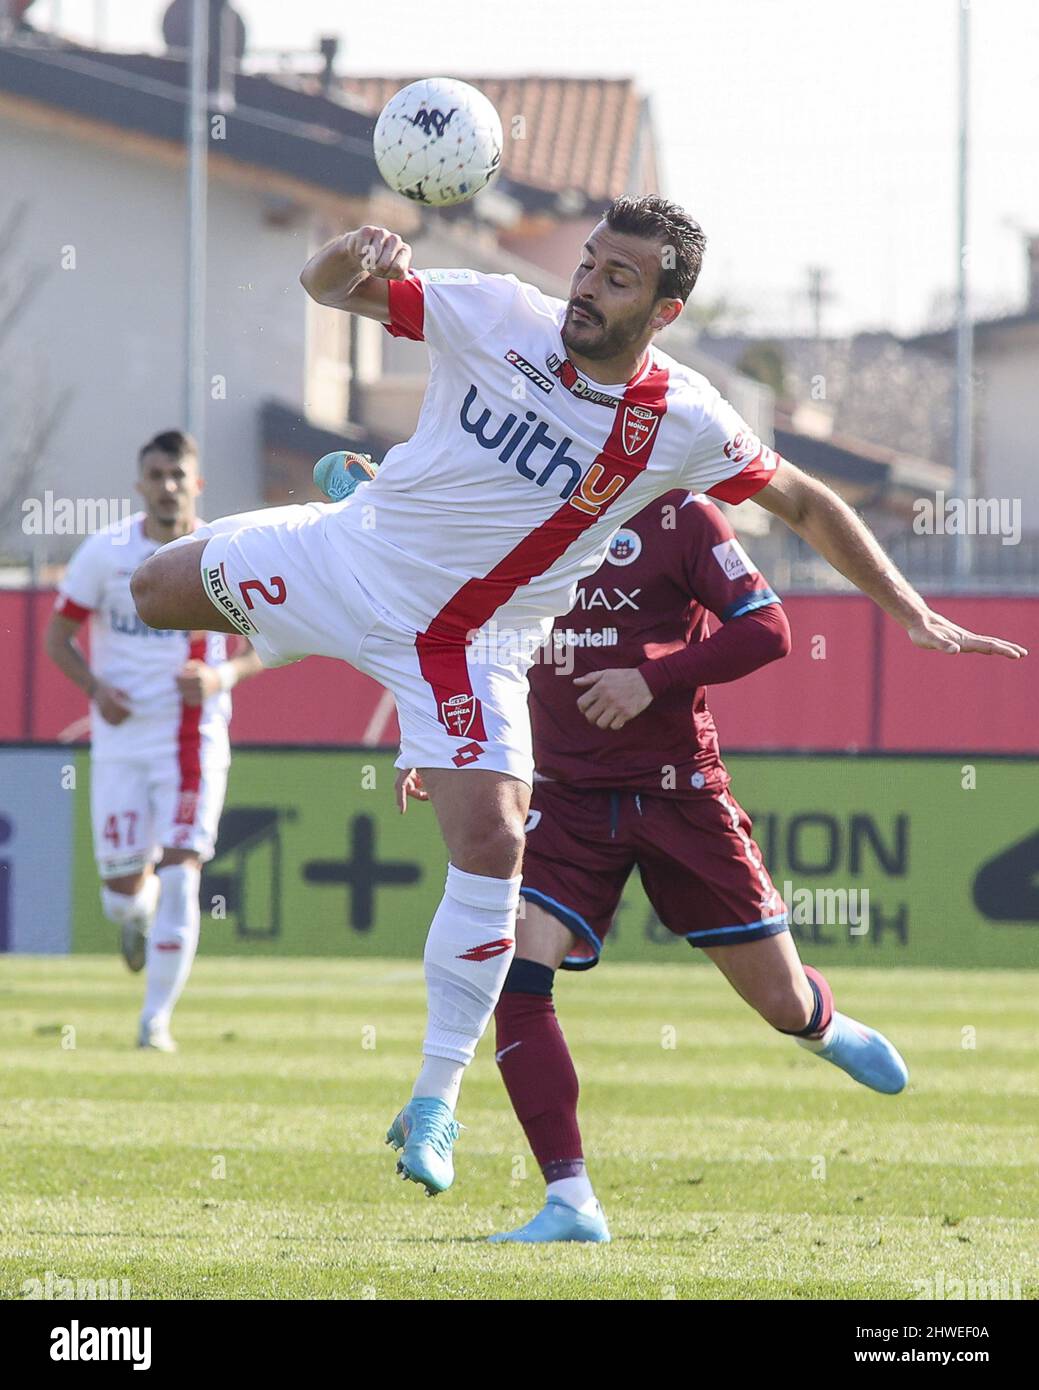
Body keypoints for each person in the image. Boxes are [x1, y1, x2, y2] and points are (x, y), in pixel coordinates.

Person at [128, 196, 1025, 1194]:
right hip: (349, 559)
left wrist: (908, 612)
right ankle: (358, 495)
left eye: (617, 277)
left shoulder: (681, 422)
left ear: (664, 310)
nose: (586, 286)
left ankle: (433, 1102)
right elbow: (328, 288)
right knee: (152, 589)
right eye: (589, 263)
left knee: (494, 841)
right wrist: (347, 254)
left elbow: (807, 502)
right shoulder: (497, 311)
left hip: (463, 644)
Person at [403, 490, 907, 1243]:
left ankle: (818, 1027)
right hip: (564, 796)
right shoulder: (511, 503)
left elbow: (768, 629)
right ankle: (569, 1200)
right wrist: (441, 748)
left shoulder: (680, 515)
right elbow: (463, 633)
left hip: (679, 795)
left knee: (778, 1001)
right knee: (515, 963)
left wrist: (652, 677)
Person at [45, 430, 261, 1051]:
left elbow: (272, 644)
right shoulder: (105, 552)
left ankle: (154, 1022)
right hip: (119, 743)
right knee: (121, 896)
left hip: (193, 741)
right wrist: (95, 689)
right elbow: (57, 638)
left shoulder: (227, 549)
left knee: (183, 873)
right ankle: (133, 919)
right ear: (140, 484)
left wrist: (222, 675)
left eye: (178, 475)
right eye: (156, 475)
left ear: (196, 483)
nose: (168, 486)